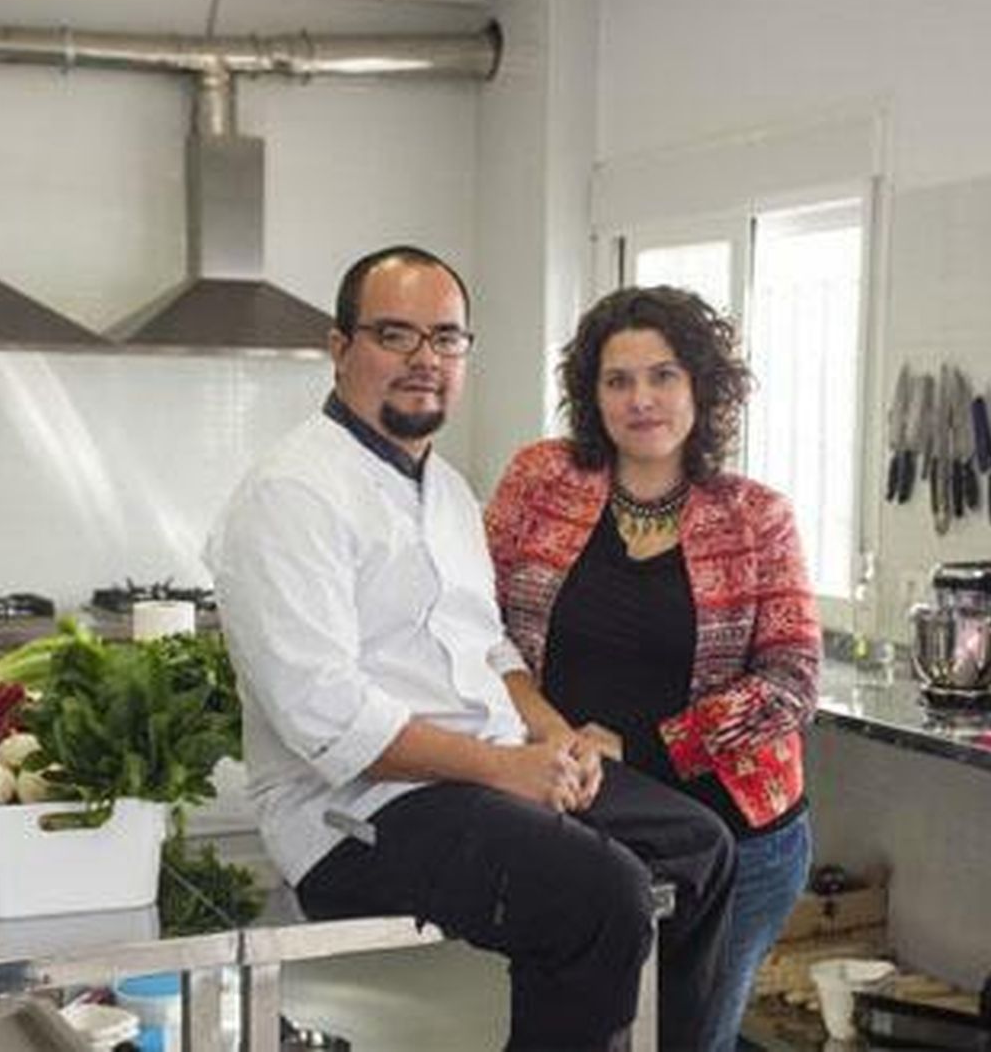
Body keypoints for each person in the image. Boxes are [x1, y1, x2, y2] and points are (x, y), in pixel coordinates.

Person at [205, 246, 736, 1052]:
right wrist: (504, 768)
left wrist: (555, 736)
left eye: (446, 338)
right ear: (340, 347)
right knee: (599, 896)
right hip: (354, 811)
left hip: (480, 773)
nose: (425, 359)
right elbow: (327, 717)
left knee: (702, 848)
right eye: (396, 334)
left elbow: (488, 648)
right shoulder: (291, 494)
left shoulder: (447, 490)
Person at [485, 285, 821, 1052]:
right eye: (618, 379)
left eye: (663, 375)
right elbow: (476, 621)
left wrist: (641, 744)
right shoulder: (540, 481)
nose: (641, 399)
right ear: (592, 395)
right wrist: (546, 732)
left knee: (684, 1041)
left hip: (739, 836)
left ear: (703, 386)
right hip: (580, 815)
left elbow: (793, 680)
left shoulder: (756, 517)